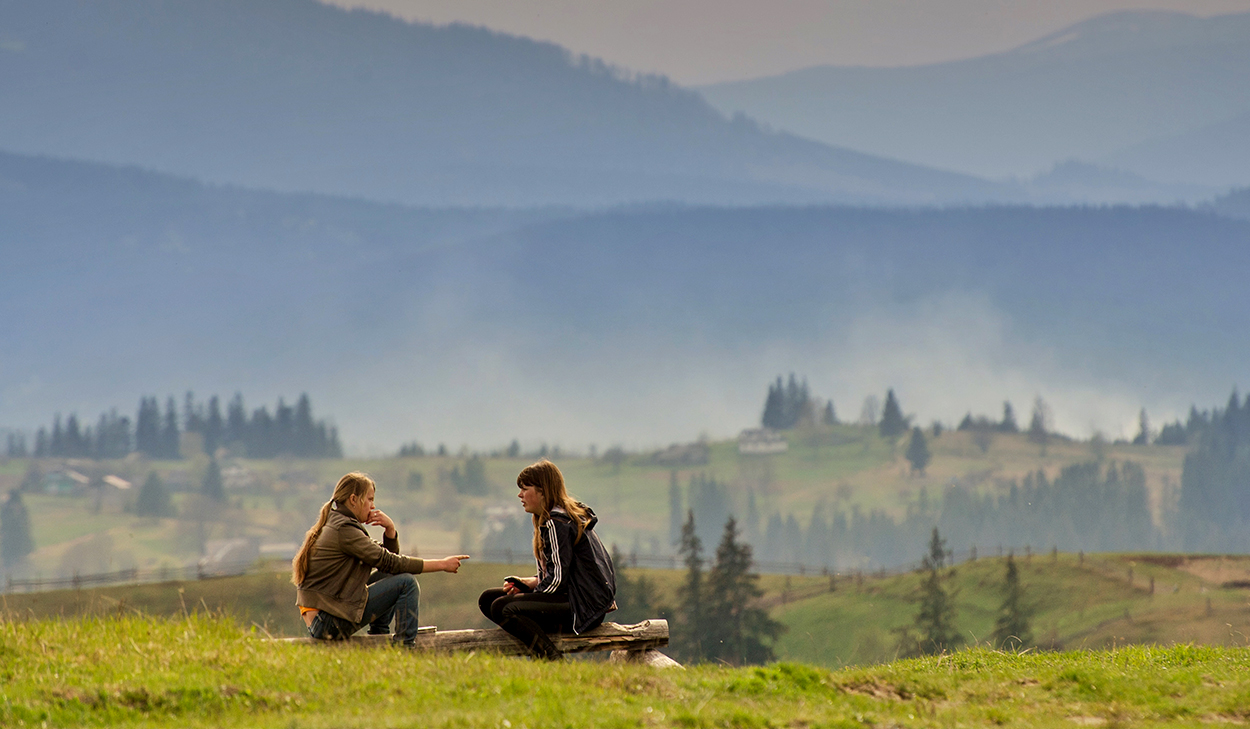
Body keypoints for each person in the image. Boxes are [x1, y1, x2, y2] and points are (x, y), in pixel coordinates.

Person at [293, 472, 468, 645]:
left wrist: (390, 531)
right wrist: (442, 564)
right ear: (353, 499)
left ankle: (379, 639)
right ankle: (405, 649)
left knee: (391, 576)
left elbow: (387, 564)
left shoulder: (339, 523)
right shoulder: (344, 529)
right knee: (407, 583)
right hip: (327, 623)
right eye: (369, 499)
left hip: (325, 619)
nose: (373, 506)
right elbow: (391, 562)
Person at [478, 459, 616, 659]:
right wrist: (528, 584)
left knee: (503, 608)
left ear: (542, 491)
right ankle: (542, 647)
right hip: (580, 602)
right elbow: (560, 571)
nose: (520, 495)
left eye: (525, 489)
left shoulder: (556, 522)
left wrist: (529, 598)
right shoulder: (556, 518)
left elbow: (558, 581)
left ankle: (551, 659)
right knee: (488, 599)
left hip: (581, 608)